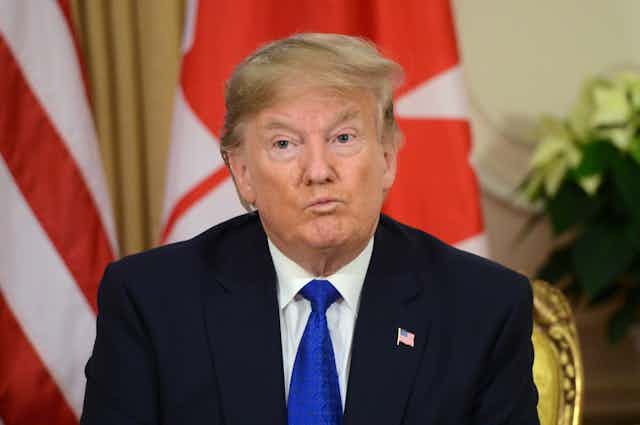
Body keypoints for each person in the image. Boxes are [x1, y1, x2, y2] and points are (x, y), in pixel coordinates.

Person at [81, 33, 539, 425]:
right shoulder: (152, 301)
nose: (318, 171)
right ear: (242, 173)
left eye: (343, 138)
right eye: (284, 144)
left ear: (386, 158)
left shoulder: (482, 307)